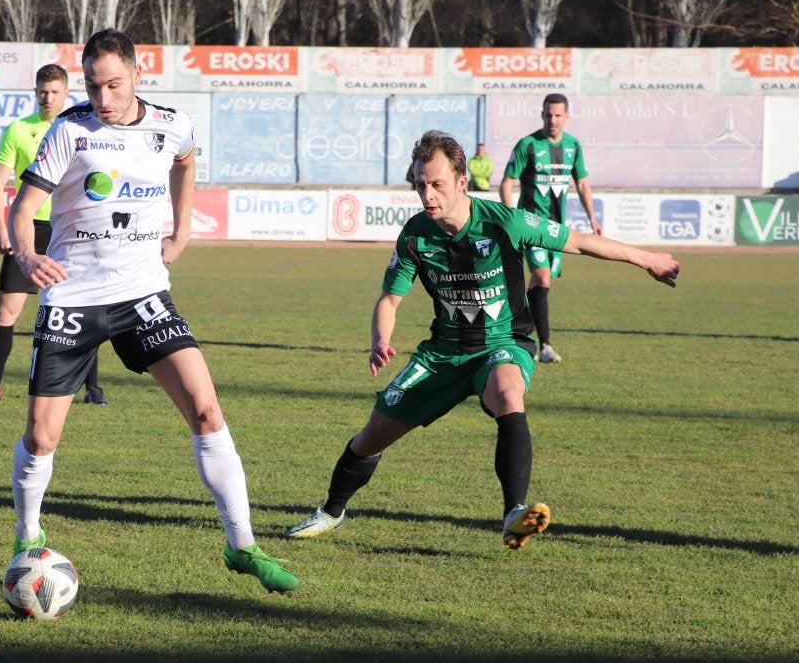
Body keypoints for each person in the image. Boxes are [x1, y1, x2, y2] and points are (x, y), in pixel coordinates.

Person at [286, 130, 678, 550]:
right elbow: (390, 298)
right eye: (420, 185)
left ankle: (514, 515)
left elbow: (578, 241)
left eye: (436, 183)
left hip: (501, 344)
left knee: (509, 393)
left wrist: (647, 258)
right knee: (370, 439)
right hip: (442, 355)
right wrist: (381, 338)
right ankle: (331, 511)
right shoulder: (416, 235)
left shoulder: (503, 220)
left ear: (460, 182)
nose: (428, 194)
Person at [6, 28, 297, 593]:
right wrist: (26, 252)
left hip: (143, 293)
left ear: (138, 75)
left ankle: (244, 547)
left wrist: (182, 229)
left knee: (207, 409)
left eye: (114, 84)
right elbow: (25, 208)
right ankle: (27, 535)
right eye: (93, 85)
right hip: (74, 297)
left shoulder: (170, 123)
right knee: (42, 437)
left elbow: (186, 161)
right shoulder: (70, 131)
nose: (104, 98)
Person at [0, 64, 106, 406]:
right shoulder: (18, 130)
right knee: (6, 311)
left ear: (66, 93)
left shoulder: (82, 127)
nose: (48, 98)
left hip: (69, 228)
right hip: (27, 229)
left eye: (55, 92)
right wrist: (2, 230)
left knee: (81, 309)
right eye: (43, 92)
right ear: (35, 92)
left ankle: (94, 389)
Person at [499, 93, 600, 363]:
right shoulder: (528, 145)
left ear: (566, 116)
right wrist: (511, 218)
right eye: (547, 114)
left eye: (557, 115)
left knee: (539, 286)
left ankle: (514, 336)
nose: (552, 120)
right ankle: (544, 347)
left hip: (558, 229)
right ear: (541, 114)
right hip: (531, 225)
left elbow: (582, 183)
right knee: (542, 279)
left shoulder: (573, 146)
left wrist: (592, 219)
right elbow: (507, 181)